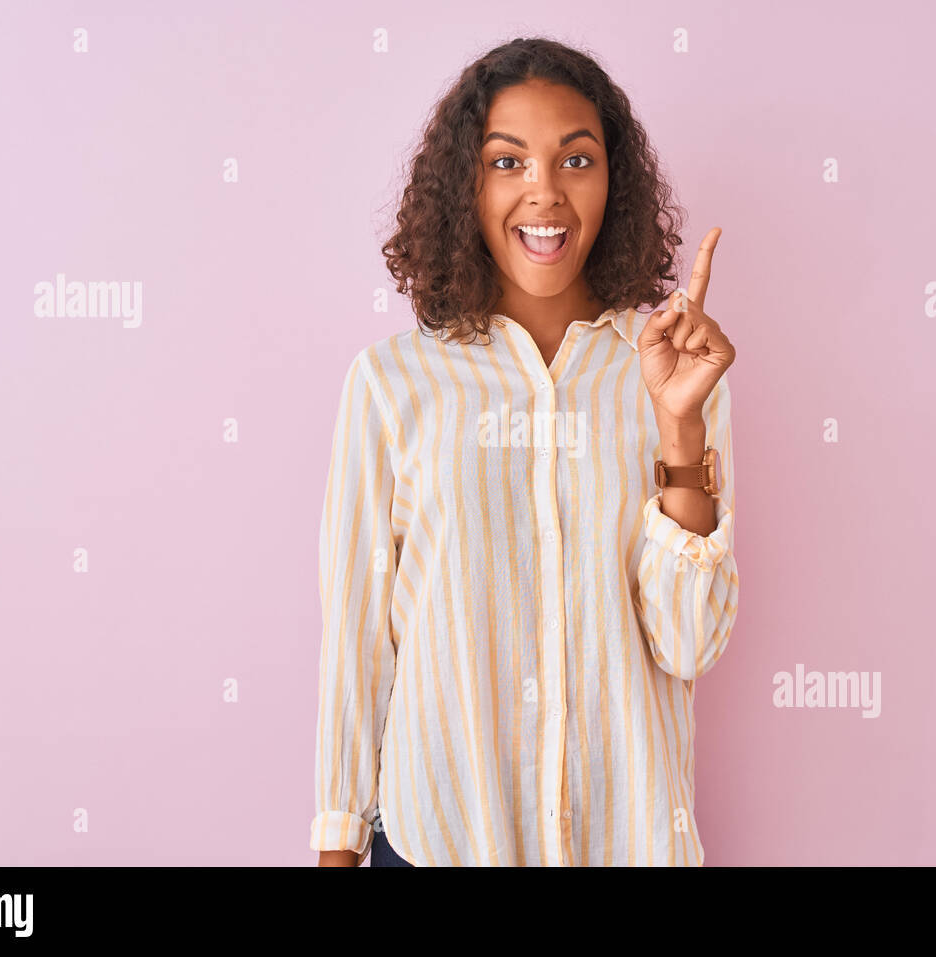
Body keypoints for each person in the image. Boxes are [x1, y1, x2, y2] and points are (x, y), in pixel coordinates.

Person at [311, 36, 739, 867]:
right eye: (507, 162)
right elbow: (356, 641)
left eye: (575, 159)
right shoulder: (393, 384)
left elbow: (689, 644)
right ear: (464, 187)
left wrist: (679, 429)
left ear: (614, 182)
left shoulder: (676, 371)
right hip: (440, 839)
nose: (544, 190)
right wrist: (337, 846)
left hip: (628, 841)